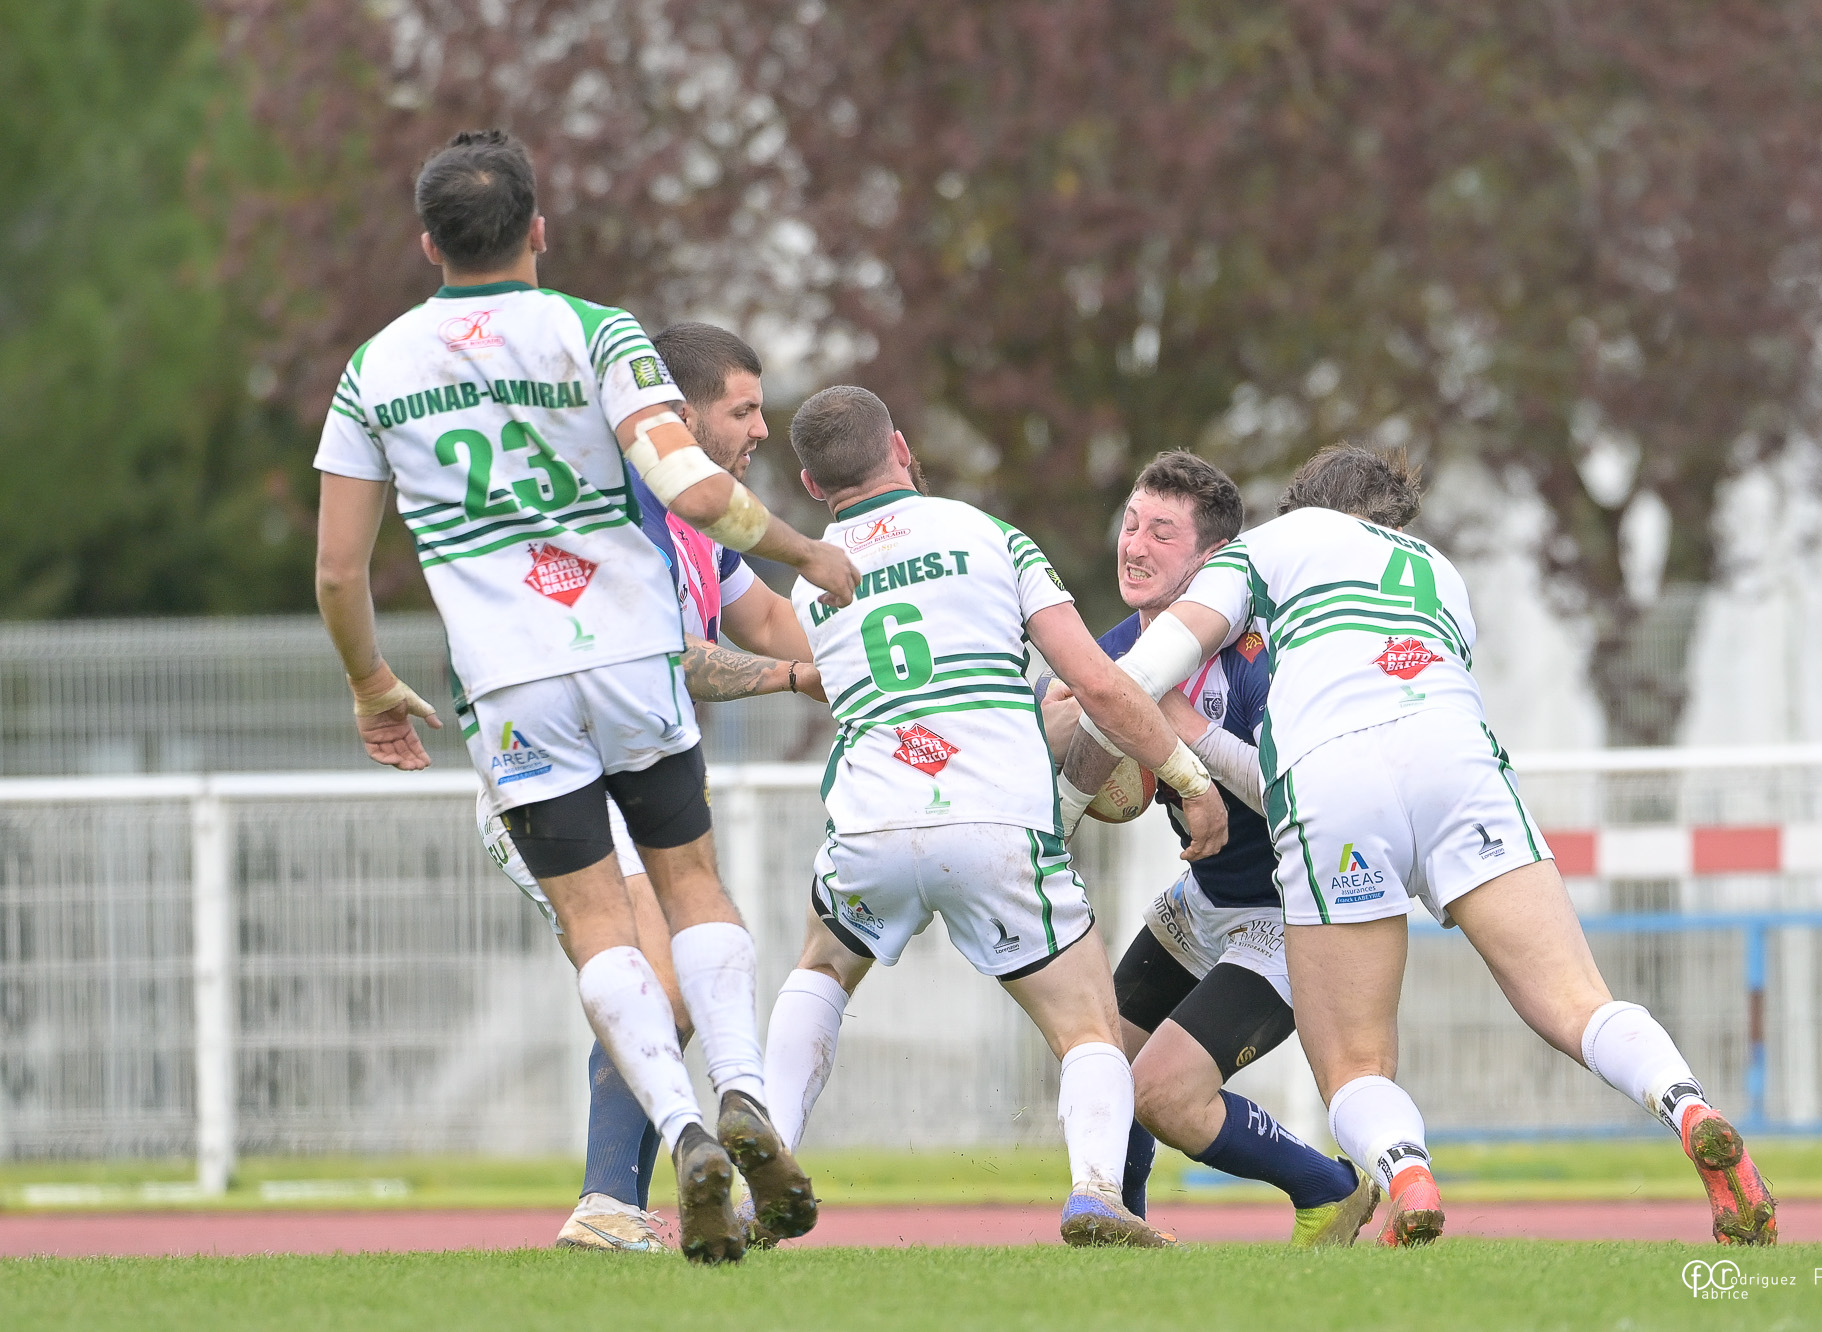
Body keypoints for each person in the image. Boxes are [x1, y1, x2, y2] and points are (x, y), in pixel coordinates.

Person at [311, 129, 858, 1265]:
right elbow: (685, 484)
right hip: (628, 656)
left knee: (598, 926)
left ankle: (684, 1134)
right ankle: (741, 1092)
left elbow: (336, 571)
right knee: (690, 884)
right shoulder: (598, 332)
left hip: (509, 686)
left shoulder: (373, 370)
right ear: (538, 229)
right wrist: (805, 550)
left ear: (428, 243)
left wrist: (371, 683)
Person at [1066, 444, 1778, 1247]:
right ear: (1392, 519)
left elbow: (1140, 674)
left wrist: (1118, 772)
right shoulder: (1439, 572)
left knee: (1356, 1064)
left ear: (1302, 506)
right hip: (1457, 760)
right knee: (1579, 1003)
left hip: (1333, 783)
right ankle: (1689, 1105)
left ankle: (1406, 1173)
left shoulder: (1271, 546)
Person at [777, 386, 1228, 1247]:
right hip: (992, 818)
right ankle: (1096, 1193)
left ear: (810, 483)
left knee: (821, 969)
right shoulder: (989, 536)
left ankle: (764, 1162)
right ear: (900, 445)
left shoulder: (810, 579)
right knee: (1089, 1025)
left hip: (871, 820)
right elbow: (1099, 683)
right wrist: (1186, 776)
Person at [471, 323, 823, 1252]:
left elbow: (771, 619)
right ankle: (610, 1200)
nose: (760, 430)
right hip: (552, 776)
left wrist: (877, 663)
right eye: (743, 410)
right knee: (665, 978)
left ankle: (622, 1201)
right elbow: (677, 659)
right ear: (681, 414)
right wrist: (796, 680)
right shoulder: (618, 510)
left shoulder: (701, 529)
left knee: (672, 988)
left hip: (627, 780)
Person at [1037, 451, 1376, 1247]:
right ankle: (1124, 1238)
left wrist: (1183, 731)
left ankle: (1331, 1189)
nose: (1134, 546)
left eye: (1162, 533)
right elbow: (1061, 764)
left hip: (1291, 918)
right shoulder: (1112, 651)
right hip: (1200, 906)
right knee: (1101, 1065)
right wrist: (1057, 729)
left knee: (1163, 1095)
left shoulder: (1261, 659)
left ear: (1212, 560)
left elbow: (1298, 802)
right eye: (1130, 524)